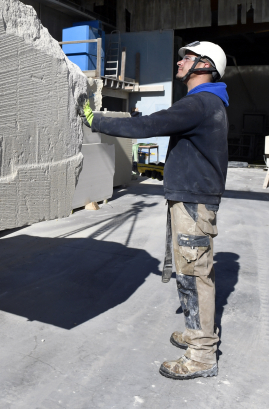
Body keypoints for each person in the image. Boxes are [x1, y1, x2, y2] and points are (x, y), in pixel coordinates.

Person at [81, 41, 229, 380]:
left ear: (205, 66)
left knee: (194, 273)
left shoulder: (201, 102)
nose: (179, 63)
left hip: (194, 200)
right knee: (187, 270)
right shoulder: (208, 103)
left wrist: (96, 120)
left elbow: (148, 126)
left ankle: (203, 354)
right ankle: (196, 335)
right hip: (191, 197)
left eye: (187, 59)